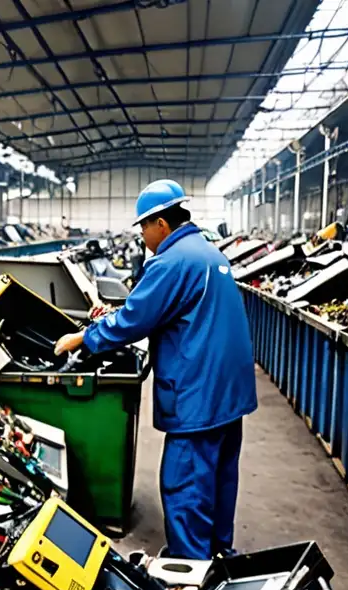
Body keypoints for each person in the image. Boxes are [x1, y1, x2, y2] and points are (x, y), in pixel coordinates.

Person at [54, 180, 257, 560]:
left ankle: (191, 570)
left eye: (143, 228)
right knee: (220, 480)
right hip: (230, 396)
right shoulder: (208, 253)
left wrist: (83, 338)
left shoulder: (172, 260)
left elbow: (135, 319)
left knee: (186, 486)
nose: (144, 236)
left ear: (161, 223)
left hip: (199, 397)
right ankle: (217, 554)